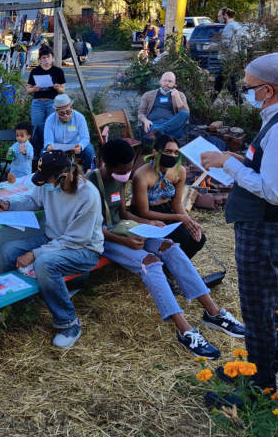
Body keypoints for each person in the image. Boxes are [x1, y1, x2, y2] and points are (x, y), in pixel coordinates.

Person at [88, 140, 244, 358]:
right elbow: (90, 228)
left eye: (128, 169)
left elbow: (123, 213)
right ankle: (186, 330)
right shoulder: (89, 185)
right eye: (123, 171)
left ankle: (214, 313)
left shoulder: (119, 179)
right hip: (104, 238)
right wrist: (124, 241)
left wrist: (146, 225)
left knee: (170, 247)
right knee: (149, 263)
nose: (126, 175)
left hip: (125, 229)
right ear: (108, 165)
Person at [201, 52, 278, 391]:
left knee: (258, 306)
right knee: (270, 298)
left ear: (268, 90)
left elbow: (274, 191)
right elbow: (269, 166)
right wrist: (237, 158)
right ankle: (271, 361)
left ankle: (261, 384)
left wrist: (228, 164)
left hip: (265, 228)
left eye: (249, 87)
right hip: (266, 227)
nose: (246, 92)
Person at [0, 151, 103, 348]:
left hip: (84, 248)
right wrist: (9, 204)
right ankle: (22, 306)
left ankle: (69, 322)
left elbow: (76, 239)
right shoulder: (46, 184)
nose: (43, 183)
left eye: (47, 179)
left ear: (64, 174)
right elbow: (34, 201)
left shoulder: (88, 195)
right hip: (53, 238)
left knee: (44, 264)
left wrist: (35, 253)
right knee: (8, 251)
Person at [131, 134, 205, 259]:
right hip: (146, 215)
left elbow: (176, 204)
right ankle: (167, 266)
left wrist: (188, 220)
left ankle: (175, 267)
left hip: (167, 211)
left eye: (176, 153)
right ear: (155, 152)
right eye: (168, 151)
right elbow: (143, 212)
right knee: (177, 239)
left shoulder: (179, 171)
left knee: (199, 238)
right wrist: (179, 217)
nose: (172, 156)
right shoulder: (141, 175)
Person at [27, 44, 65, 160]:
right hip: (38, 103)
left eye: (48, 57)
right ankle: (37, 154)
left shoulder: (58, 71)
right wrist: (34, 89)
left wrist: (57, 87)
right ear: (39, 60)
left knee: (51, 127)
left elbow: (62, 91)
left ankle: (51, 152)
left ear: (52, 58)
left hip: (52, 103)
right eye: (43, 58)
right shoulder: (35, 71)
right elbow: (28, 90)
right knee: (37, 127)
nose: (46, 60)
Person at [43, 94, 95, 171]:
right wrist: (49, 146)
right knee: (43, 153)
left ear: (71, 108)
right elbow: (48, 139)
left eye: (68, 112)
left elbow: (85, 138)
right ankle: (51, 175)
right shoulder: (50, 120)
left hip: (75, 146)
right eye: (62, 113)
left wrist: (80, 146)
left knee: (89, 150)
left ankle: (88, 171)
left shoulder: (80, 117)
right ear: (56, 111)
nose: (66, 115)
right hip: (57, 148)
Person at [137, 72, 190, 142]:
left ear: (174, 84)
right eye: (164, 80)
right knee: (154, 129)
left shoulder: (180, 95)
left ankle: (159, 132)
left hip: (172, 126)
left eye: (170, 81)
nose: (167, 83)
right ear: (160, 82)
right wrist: (145, 120)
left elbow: (185, 113)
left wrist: (177, 97)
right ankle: (159, 132)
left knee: (185, 113)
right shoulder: (148, 95)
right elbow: (140, 113)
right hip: (153, 124)